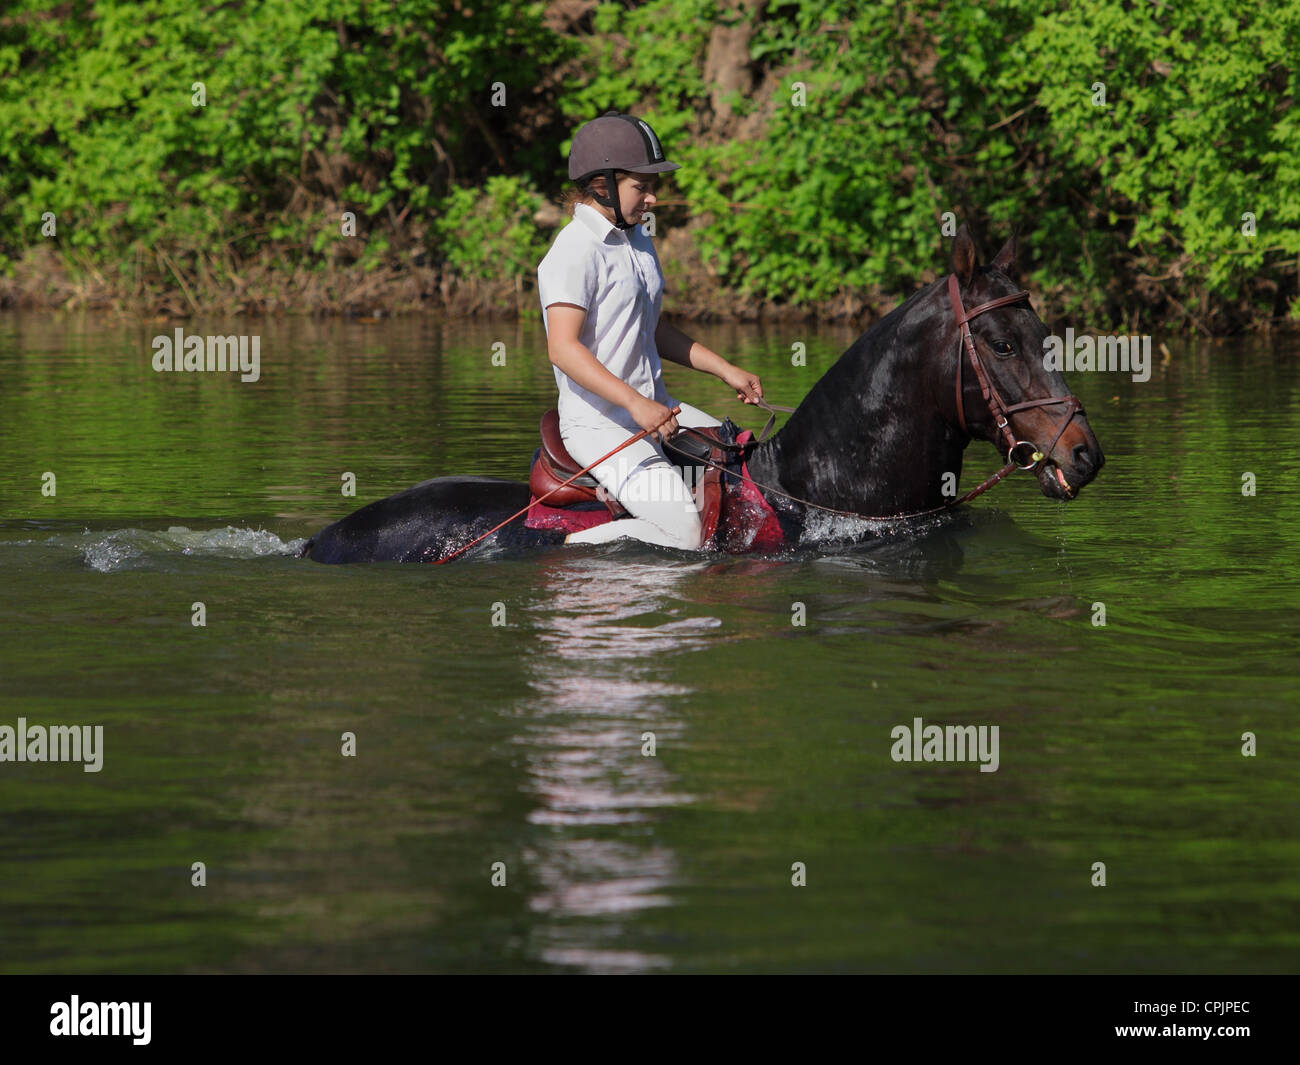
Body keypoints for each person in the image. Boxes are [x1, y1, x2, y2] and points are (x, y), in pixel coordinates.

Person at [537, 110, 763, 550]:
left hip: (657, 408)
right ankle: (568, 552)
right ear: (602, 185)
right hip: (600, 426)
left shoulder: (637, 240)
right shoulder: (573, 250)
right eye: (641, 187)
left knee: (740, 464)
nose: (653, 199)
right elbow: (562, 349)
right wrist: (636, 404)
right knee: (684, 531)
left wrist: (725, 370)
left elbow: (652, 329)